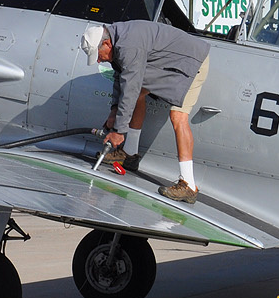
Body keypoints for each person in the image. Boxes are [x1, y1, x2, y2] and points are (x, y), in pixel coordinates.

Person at [83, 21, 210, 203]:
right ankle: (130, 155)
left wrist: (119, 131)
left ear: (107, 44)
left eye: (98, 55)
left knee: (178, 117)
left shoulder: (128, 46)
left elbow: (130, 88)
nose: (98, 60)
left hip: (192, 61)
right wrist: (114, 111)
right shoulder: (115, 40)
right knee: (139, 91)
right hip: (172, 60)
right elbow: (121, 78)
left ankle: (189, 184)